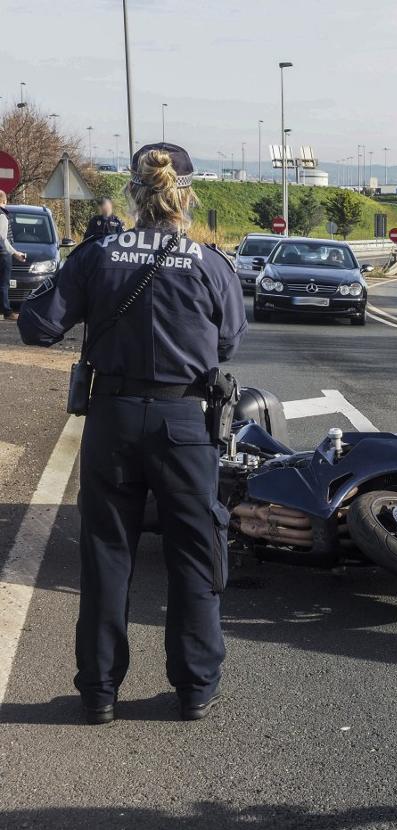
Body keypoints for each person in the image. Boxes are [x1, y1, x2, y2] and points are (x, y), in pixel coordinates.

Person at [19, 143, 246, 724]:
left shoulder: (98, 253)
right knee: (195, 555)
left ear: (133, 196)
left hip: (112, 419)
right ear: (185, 195)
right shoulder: (208, 262)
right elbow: (227, 342)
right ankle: (195, 689)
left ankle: (98, 692)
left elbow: (38, 328)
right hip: (185, 424)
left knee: (107, 554)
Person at [0, 190, 29, 320]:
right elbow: (3, 239)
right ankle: (7, 312)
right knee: (4, 284)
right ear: (4, 201)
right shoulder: (2, 216)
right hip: (2, 254)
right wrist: (16, 253)